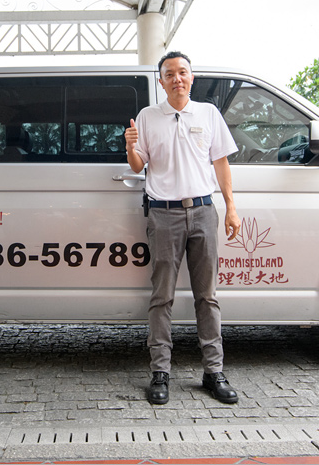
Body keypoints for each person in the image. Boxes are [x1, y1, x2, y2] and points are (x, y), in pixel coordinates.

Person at [124, 51, 242, 405]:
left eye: (183, 72)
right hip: (163, 214)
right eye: (170, 74)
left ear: (192, 78)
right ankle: (160, 372)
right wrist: (130, 146)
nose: (177, 78)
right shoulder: (147, 117)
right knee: (162, 297)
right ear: (160, 81)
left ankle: (213, 371)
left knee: (207, 296)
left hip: (204, 212)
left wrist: (231, 207)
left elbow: (220, 164)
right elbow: (137, 166)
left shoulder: (208, 113)